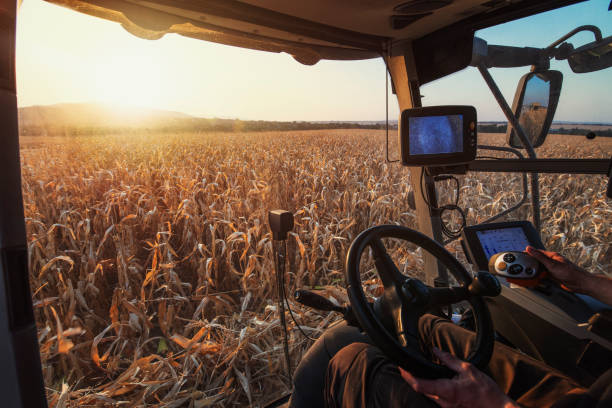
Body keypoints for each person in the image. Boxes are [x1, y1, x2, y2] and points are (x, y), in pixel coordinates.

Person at [324, 246, 612, 408]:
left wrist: (494, 404)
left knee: (353, 361)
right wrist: (583, 281)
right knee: (425, 325)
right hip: (587, 399)